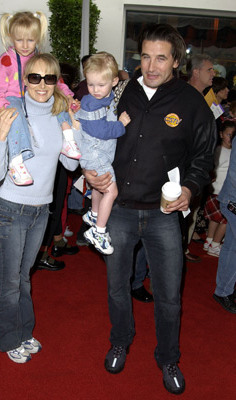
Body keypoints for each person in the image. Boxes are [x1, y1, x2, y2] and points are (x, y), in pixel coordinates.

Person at [83, 24, 216, 395]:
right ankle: (121, 340)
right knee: (116, 288)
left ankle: (168, 357)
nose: (152, 65)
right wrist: (87, 172)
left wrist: (190, 187)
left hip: (163, 215)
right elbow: (90, 133)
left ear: (176, 60)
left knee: (170, 294)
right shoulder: (119, 92)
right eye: (145, 56)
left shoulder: (191, 103)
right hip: (119, 209)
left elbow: (204, 156)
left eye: (161, 57)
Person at [0, 53, 80, 363]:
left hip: (42, 210)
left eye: (49, 78)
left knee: (25, 276)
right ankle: (9, 337)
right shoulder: (11, 113)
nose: (41, 84)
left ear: (57, 82)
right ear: (24, 80)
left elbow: (69, 163)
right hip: (11, 209)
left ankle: (23, 331)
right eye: (35, 77)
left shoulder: (59, 115)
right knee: (10, 279)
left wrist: (75, 132)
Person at [0, 11, 80, 187]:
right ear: (10, 36)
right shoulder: (5, 60)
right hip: (12, 99)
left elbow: (57, 81)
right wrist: (3, 107)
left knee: (60, 100)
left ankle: (68, 138)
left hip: (29, 99)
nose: (24, 45)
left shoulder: (39, 58)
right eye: (19, 40)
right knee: (15, 116)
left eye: (30, 40)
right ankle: (16, 162)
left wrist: (68, 95)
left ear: (37, 38)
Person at [72, 52, 131, 255]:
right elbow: (103, 131)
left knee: (99, 188)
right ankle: (99, 231)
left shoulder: (104, 98)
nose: (96, 90)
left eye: (101, 85)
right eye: (91, 85)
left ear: (114, 81)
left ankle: (94, 214)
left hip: (98, 154)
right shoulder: (92, 104)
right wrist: (121, 125)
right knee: (111, 191)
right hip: (96, 154)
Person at [183, 54, 216, 262]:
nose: (214, 73)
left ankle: (181, 250)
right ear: (196, 72)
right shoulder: (184, 97)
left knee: (187, 217)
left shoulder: (204, 99)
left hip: (196, 169)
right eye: (209, 70)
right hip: (183, 171)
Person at [213, 121, 236, 313]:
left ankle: (224, 289)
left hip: (231, 199)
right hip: (233, 201)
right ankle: (224, 290)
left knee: (231, 247)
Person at [203, 120, 235, 257]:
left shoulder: (232, 151)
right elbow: (212, 168)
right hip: (220, 191)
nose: (231, 138)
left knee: (216, 219)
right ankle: (215, 244)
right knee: (226, 219)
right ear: (221, 134)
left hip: (222, 190)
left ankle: (209, 241)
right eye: (228, 135)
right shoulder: (218, 150)